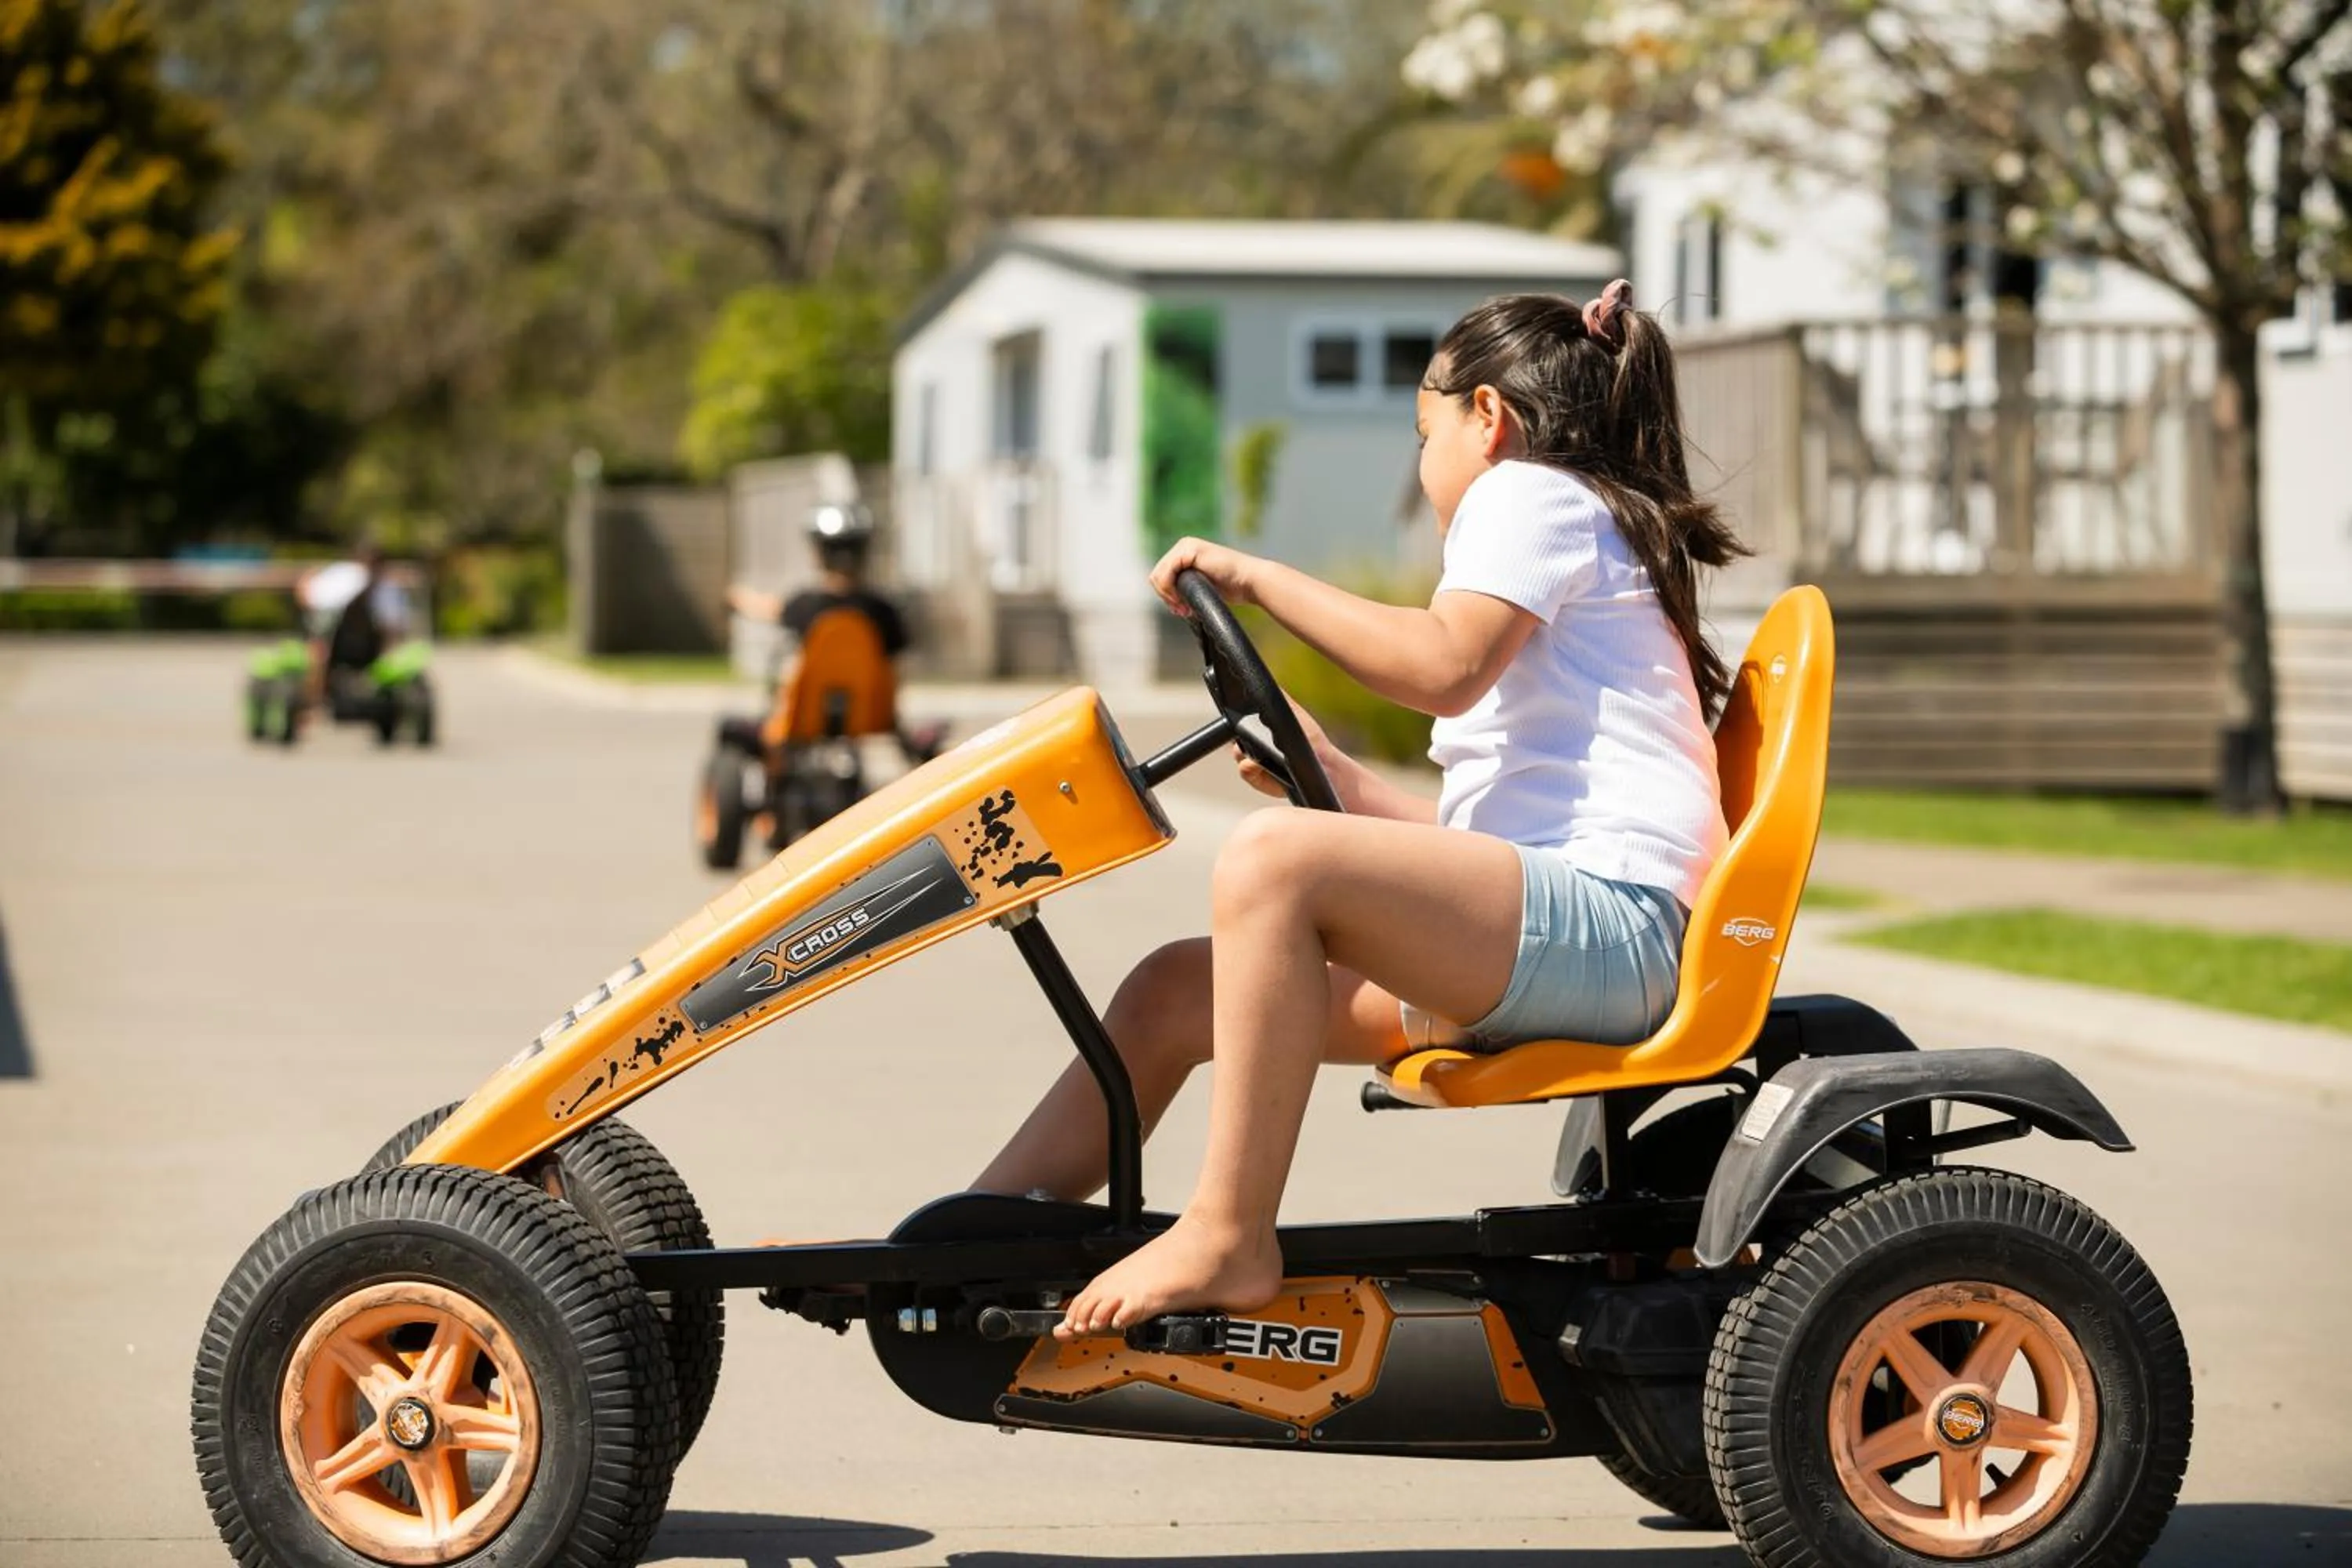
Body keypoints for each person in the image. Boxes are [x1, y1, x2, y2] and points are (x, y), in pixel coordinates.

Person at [971, 282, 1748, 1338]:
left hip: (1607, 935)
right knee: (1170, 992)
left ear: (1488, 418)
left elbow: (1442, 668)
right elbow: (1474, 851)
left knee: (1273, 860)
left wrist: (1258, 577)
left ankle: (1229, 1231)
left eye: (1422, 436)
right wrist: (1328, 771)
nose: (1422, 471)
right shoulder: (1577, 519)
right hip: (1571, 934)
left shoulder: (1532, 494)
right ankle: (966, 1239)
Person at [297, 543, 412, 707]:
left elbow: (394, 626)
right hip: (341, 644)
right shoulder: (346, 580)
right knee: (319, 651)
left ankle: (312, 703)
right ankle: (311, 703)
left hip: (369, 648)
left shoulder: (385, 588)